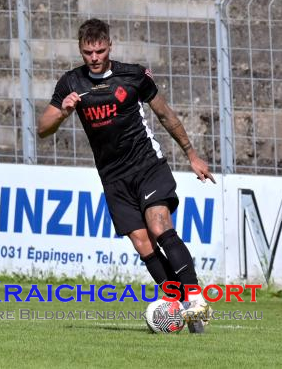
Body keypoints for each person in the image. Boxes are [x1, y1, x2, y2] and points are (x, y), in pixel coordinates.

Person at [38, 18, 215, 332]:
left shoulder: (133, 76)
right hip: (113, 177)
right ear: (80, 50)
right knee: (141, 242)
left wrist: (191, 154)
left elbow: (165, 114)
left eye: (100, 50)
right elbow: (42, 130)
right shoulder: (71, 83)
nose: (94, 57)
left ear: (110, 46)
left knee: (159, 225)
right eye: (87, 52)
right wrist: (63, 112)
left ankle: (195, 298)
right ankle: (179, 303)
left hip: (147, 165)